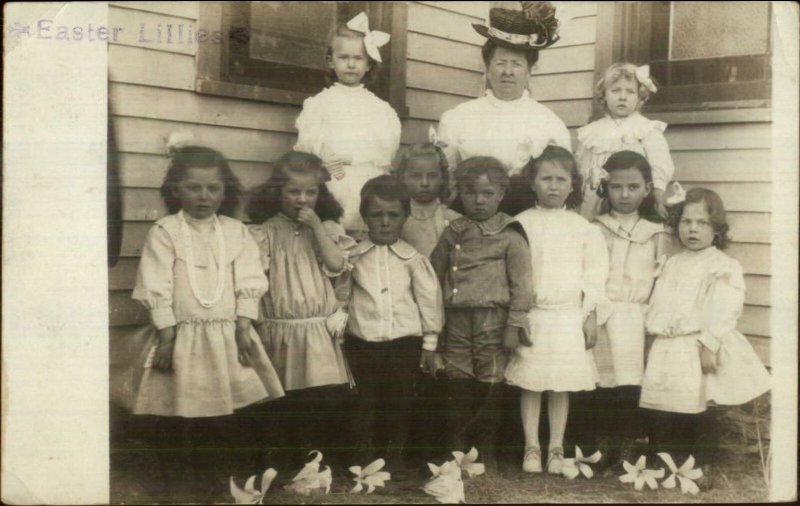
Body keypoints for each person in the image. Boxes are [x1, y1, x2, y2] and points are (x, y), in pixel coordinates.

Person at [130, 145, 284, 501]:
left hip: (228, 336)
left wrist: (244, 328)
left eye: (213, 188)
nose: (204, 196)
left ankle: (224, 482)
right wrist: (166, 336)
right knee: (181, 412)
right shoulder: (165, 231)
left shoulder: (234, 231)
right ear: (175, 190)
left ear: (225, 191)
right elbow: (156, 284)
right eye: (194, 187)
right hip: (181, 337)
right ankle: (182, 484)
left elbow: (249, 279)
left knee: (227, 412)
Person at [641, 187, 770, 473]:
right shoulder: (671, 263)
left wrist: (709, 344)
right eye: (686, 222)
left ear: (717, 229)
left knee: (698, 405)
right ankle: (663, 462)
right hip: (667, 344)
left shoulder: (721, 266)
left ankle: (702, 465)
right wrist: (653, 334)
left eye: (702, 223)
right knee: (662, 403)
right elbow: (658, 302)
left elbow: (724, 308)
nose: (693, 229)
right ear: (677, 225)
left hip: (696, 345)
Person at [246, 151, 355, 468]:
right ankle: (284, 462)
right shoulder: (265, 232)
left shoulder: (328, 229)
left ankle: (314, 461)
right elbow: (254, 280)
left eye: (311, 192)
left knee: (319, 397)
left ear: (321, 195)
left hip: (318, 328)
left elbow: (336, 264)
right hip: (281, 325)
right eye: (293, 191)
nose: (302, 199)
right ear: (277, 191)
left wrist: (318, 227)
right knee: (285, 398)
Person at [505, 146, 609, 474]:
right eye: (545, 178)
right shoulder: (520, 224)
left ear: (572, 185)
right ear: (532, 183)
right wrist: (517, 315)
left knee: (560, 383)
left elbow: (595, 275)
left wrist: (589, 315)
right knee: (531, 382)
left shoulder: (582, 227)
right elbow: (512, 274)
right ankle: (531, 447)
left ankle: (555, 447)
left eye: (561, 179)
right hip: (534, 314)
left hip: (568, 316)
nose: (553, 186)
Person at [336, 175, 443, 479]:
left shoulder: (413, 259)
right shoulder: (354, 257)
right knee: (363, 404)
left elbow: (428, 301)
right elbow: (343, 296)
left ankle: (394, 458)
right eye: (376, 215)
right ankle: (363, 460)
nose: (384, 222)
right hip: (363, 344)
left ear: (405, 217)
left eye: (393, 215)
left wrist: (430, 344)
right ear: (365, 216)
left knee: (399, 402)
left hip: (403, 345)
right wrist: (340, 329)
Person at [429, 157, 534, 470]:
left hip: (494, 320)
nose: (478, 200)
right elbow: (433, 276)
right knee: (457, 380)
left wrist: (514, 326)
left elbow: (522, 287)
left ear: (501, 194)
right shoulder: (453, 232)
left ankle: (485, 452)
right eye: (471, 193)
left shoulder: (511, 234)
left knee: (490, 382)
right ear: (461, 193)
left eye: (487, 193)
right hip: (456, 319)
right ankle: (456, 451)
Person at [437, 1, 570, 216]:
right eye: (500, 63)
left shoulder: (549, 124)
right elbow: (446, 179)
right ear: (487, 69)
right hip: (469, 215)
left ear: (529, 71)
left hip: (527, 218)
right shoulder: (458, 118)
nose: (507, 72)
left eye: (516, 64)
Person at [590, 151, 676, 471]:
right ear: (605, 189)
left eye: (632, 186)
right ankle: (602, 446)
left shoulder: (656, 232)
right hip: (602, 313)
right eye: (615, 187)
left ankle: (627, 446)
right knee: (601, 382)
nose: (624, 195)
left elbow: (664, 281)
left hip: (637, 317)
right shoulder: (596, 228)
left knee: (629, 385)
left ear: (646, 188)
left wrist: (655, 320)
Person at [294, 11, 401, 239]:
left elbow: (385, 153)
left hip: (366, 180)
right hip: (332, 178)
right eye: (344, 58)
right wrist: (330, 163)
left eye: (358, 58)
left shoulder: (381, 109)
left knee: (363, 236)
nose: (351, 64)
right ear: (331, 61)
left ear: (369, 64)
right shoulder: (320, 104)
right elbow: (309, 145)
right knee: (331, 234)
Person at [576, 63, 676, 221]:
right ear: (604, 95)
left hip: (632, 198)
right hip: (596, 200)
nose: (622, 97)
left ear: (640, 97)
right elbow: (581, 168)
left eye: (630, 91)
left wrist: (658, 192)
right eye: (615, 90)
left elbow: (660, 165)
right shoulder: (591, 132)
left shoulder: (646, 130)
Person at [397, 130, 462, 257]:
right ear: (403, 177)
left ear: (442, 178)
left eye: (432, 176)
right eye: (415, 176)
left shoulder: (452, 218)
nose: (424, 183)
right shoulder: (398, 216)